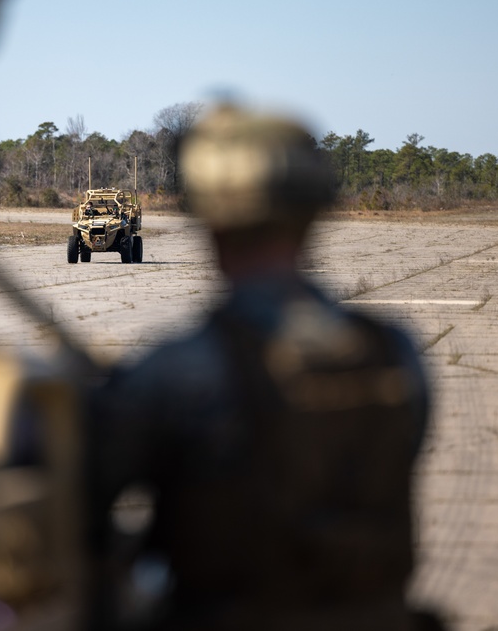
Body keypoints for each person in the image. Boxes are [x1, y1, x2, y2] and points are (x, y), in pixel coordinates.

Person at [86, 103, 440, 631]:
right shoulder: (396, 354)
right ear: (314, 213)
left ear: (212, 220)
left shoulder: (176, 375)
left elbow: (85, 504)